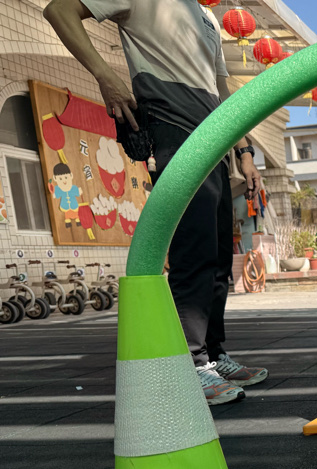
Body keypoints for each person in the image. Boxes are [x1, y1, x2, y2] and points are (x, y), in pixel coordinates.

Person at [45, 0, 267, 406]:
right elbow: (59, 11)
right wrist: (106, 76)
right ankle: (191, 365)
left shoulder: (209, 18)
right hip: (173, 126)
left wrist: (245, 150)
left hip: (215, 138)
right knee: (194, 253)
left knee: (219, 258)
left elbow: (221, 90)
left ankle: (213, 356)